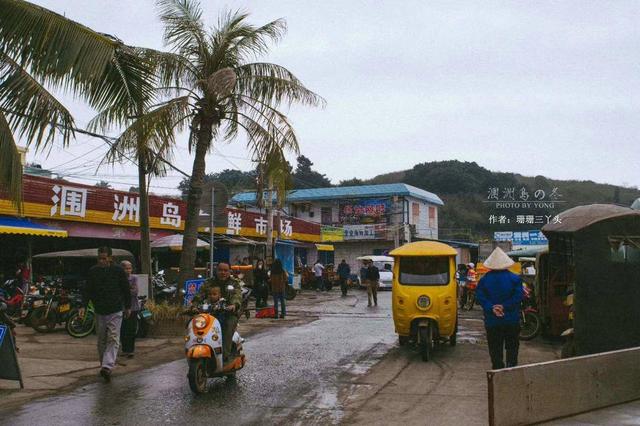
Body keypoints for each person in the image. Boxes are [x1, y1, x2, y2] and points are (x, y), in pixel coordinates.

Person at [81, 247, 131, 382]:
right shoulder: (93, 271)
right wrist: (83, 305)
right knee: (101, 340)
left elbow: (126, 289)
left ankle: (107, 366)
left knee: (113, 338)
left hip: (115, 310)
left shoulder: (118, 271)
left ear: (110, 257)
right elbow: (88, 290)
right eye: (99, 258)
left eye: (104, 258)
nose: (102, 261)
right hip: (100, 310)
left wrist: (128, 307)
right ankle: (104, 364)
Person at [476, 247, 524, 370]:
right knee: (512, 347)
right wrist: (504, 306)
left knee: (495, 347)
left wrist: (492, 307)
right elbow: (518, 296)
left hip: (492, 321)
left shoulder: (484, 280)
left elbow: (480, 297)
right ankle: (511, 368)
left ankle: (497, 369)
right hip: (511, 319)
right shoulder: (515, 279)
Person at [192, 262, 242, 363]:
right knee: (195, 323)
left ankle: (225, 356)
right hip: (210, 312)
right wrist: (194, 306)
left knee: (228, 325)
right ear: (216, 270)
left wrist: (233, 305)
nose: (222, 272)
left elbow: (237, 296)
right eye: (220, 270)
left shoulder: (234, 283)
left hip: (228, 313)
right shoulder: (209, 282)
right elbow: (199, 295)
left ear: (229, 271)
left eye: (225, 270)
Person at [119, 260, 139, 359]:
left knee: (131, 329)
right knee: (123, 329)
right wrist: (128, 289)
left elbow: (134, 292)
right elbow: (119, 293)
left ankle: (131, 350)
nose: (128, 270)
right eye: (126, 268)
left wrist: (125, 290)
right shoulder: (118, 279)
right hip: (121, 307)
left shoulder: (134, 278)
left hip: (133, 307)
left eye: (129, 268)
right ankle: (124, 349)